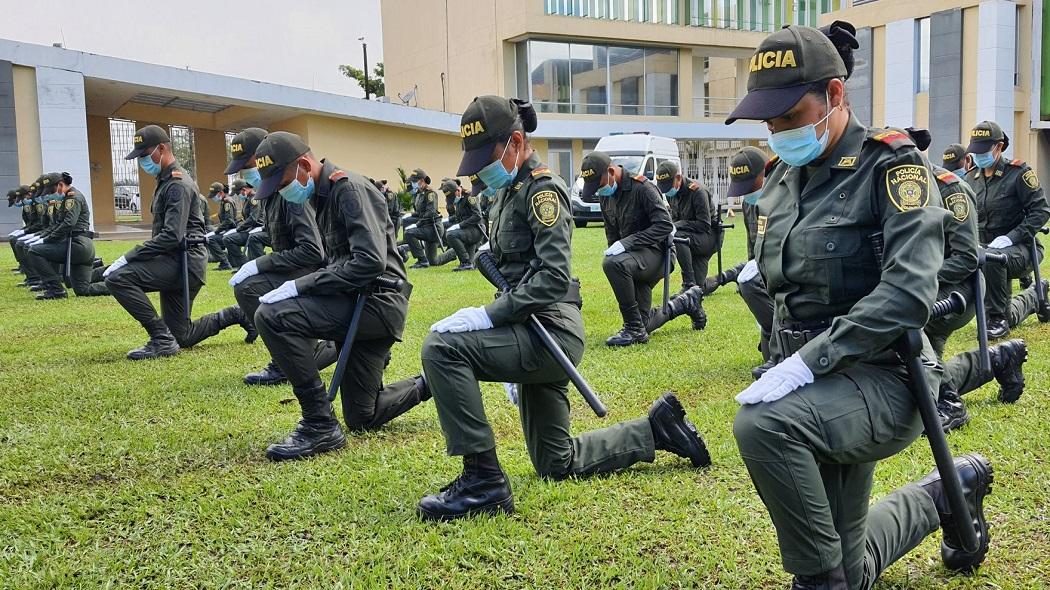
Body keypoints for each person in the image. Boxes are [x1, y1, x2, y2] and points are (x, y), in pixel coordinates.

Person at [726, 25, 994, 589]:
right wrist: (783, 361)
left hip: (883, 375)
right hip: (811, 382)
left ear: (835, 97)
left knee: (763, 425)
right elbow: (784, 296)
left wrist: (807, 364)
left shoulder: (891, 168)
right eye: (767, 121)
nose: (776, 130)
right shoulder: (783, 179)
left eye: (789, 115)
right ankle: (940, 494)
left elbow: (906, 294)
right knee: (854, 566)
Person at [416, 96, 710, 521]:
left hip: (551, 331)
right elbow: (515, 270)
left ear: (515, 142)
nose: (481, 170)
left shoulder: (542, 189)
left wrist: (489, 317)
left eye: (487, 157)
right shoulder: (506, 191)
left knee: (441, 348)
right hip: (530, 329)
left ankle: (483, 481)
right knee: (557, 462)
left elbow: (552, 277)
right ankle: (657, 430)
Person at [251, 132, 429, 461]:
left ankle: (319, 424)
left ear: (304, 165)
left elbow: (369, 261)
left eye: (282, 181)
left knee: (271, 316)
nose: (280, 190)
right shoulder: (321, 195)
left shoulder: (347, 189)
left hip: (377, 304)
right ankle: (430, 382)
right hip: (359, 303)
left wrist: (301, 286)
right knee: (363, 415)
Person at [899, 127, 1031, 433]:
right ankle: (1000, 358)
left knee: (903, 338)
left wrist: (917, 277)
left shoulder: (949, 189)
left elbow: (967, 259)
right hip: (923, 286)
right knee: (915, 378)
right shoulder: (893, 189)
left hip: (957, 290)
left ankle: (950, 405)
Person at [104, 125, 253, 360]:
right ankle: (235, 315)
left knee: (118, 278)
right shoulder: (165, 180)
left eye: (145, 155)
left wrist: (129, 256)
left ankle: (160, 339)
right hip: (176, 260)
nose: (142, 161)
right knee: (183, 336)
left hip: (183, 262)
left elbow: (172, 235)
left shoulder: (177, 184)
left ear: (162, 148)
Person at [224, 129, 332, 386]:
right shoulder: (270, 192)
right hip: (300, 267)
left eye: (248, 166)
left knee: (250, 288)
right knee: (249, 287)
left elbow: (312, 250)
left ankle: (287, 362)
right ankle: (293, 357)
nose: (246, 175)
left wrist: (260, 263)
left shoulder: (289, 190)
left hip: (314, 271)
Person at [580, 151, 705, 346]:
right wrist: (617, 248)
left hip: (658, 254)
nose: (599, 190)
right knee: (644, 321)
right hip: (633, 261)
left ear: (611, 171)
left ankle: (633, 329)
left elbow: (665, 226)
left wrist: (626, 244)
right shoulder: (607, 196)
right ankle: (685, 302)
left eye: (599, 183)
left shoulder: (643, 188)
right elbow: (612, 233)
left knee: (613, 264)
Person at [964, 120, 1050, 339]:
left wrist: (1010, 238)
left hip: (1021, 249)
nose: (979, 156)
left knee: (992, 258)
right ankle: (1033, 295)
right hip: (984, 247)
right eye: (976, 151)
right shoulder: (971, 179)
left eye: (984, 151)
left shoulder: (1018, 173)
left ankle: (996, 319)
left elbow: (1041, 211)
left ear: (999, 147)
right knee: (1007, 308)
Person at [708, 147, 777, 378]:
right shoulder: (749, 204)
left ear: (765, 174)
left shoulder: (786, 197)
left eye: (751, 185)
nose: (746, 193)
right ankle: (772, 336)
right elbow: (753, 250)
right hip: (767, 273)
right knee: (749, 282)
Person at [25, 172, 104, 299]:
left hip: (77, 246)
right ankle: (117, 279)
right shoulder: (67, 198)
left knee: (34, 251)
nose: (50, 194)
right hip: (80, 246)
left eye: (51, 190)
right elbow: (58, 224)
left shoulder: (72, 197)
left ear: (60, 185)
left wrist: (48, 239)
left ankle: (56, 290)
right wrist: (45, 237)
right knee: (83, 290)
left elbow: (68, 224)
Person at [654, 161, 718, 298]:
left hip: (709, 237)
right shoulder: (672, 193)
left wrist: (678, 225)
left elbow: (704, 225)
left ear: (678, 177)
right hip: (692, 239)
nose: (667, 191)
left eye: (668, 186)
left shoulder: (697, 191)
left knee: (679, 237)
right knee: (699, 288)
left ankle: (688, 283)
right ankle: (727, 276)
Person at [430, 178, 485, 271]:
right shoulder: (458, 200)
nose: (452, 199)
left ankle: (465, 262)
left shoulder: (470, 196)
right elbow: (459, 216)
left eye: (452, 196)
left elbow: (477, 216)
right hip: (468, 231)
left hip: (476, 230)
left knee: (451, 234)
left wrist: (459, 226)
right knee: (472, 264)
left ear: (458, 190)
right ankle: (469, 263)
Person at [402, 169, 444, 268]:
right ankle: (454, 252)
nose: (413, 183)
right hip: (427, 227)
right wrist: (410, 215)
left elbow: (430, 212)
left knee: (409, 233)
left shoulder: (430, 194)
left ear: (422, 180)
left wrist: (417, 224)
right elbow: (420, 213)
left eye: (415, 181)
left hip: (433, 228)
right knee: (434, 261)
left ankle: (422, 261)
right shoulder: (420, 194)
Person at [223, 177, 263, 270]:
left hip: (257, 228)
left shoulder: (254, 198)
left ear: (244, 190)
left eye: (238, 193)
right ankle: (243, 264)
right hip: (250, 229)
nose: (238, 195)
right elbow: (246, 218)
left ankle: (244, 264)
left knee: (228, 239)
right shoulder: (248, 199)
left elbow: (253, 218)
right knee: (227, 238)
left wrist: (239, 228)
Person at [204, 182, 238, 270]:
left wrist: (217, 231)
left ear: (221, 192)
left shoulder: (227, 202)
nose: (213, 198)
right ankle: (226, 261)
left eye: (214, 195)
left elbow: (228, 220)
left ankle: (224, 262)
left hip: (230, 231)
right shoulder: (224, 201)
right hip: (227, 230)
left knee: (210, 239)